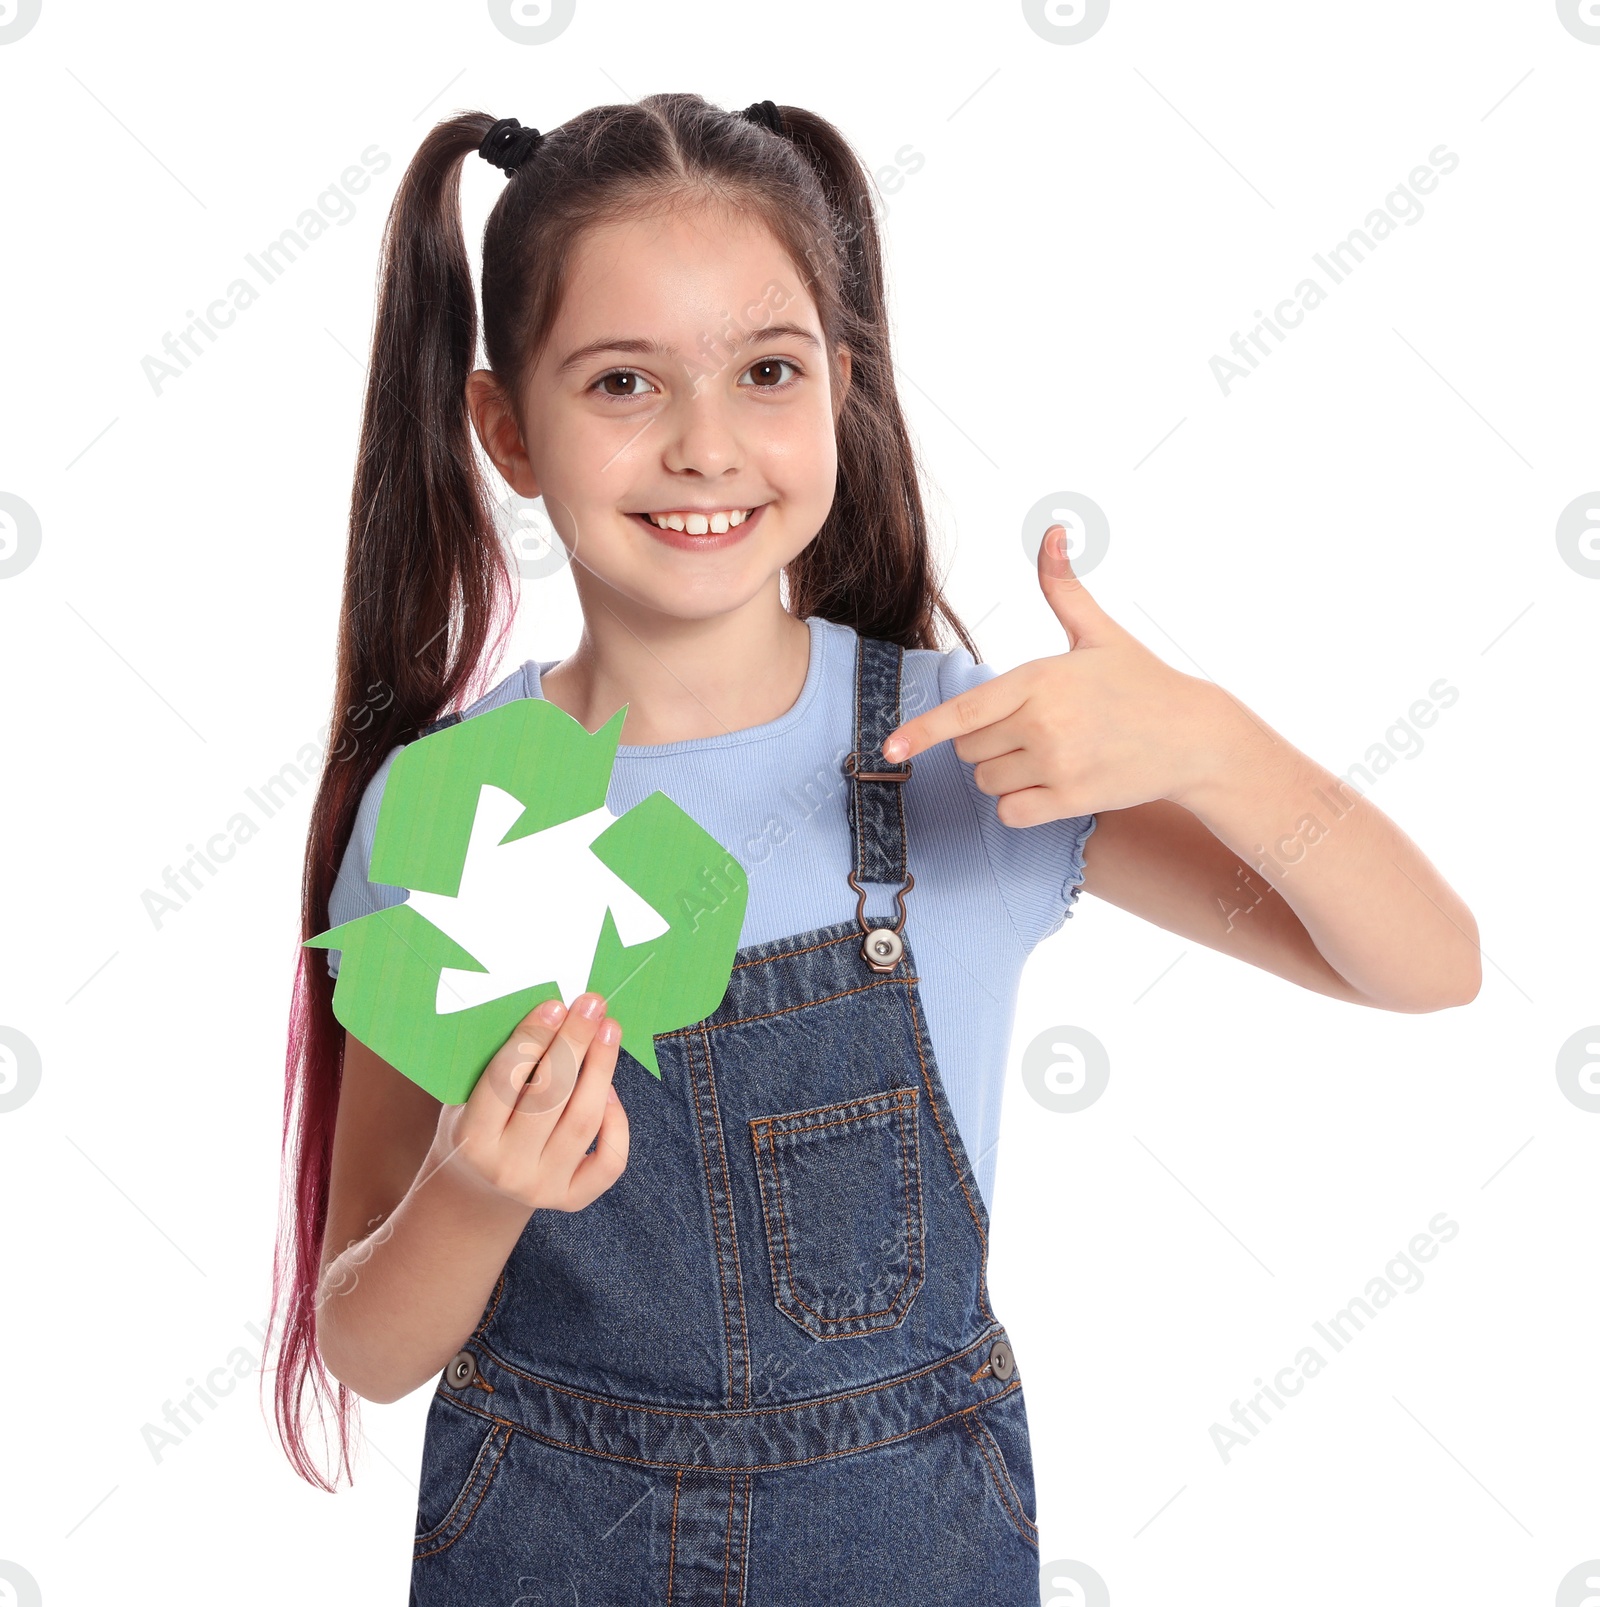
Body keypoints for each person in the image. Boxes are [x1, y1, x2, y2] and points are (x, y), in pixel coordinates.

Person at [268, 94, 1480, 1604]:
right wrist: (475, 1192)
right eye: (624, 381)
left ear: (842, 388)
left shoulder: (965, 754)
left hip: (908, 1549)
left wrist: (1213, 745)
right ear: (508, 430)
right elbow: (370, 1345)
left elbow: (1429, 966)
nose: (705, 444)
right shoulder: (457, 808)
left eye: (766, 372)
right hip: (542, 1548)